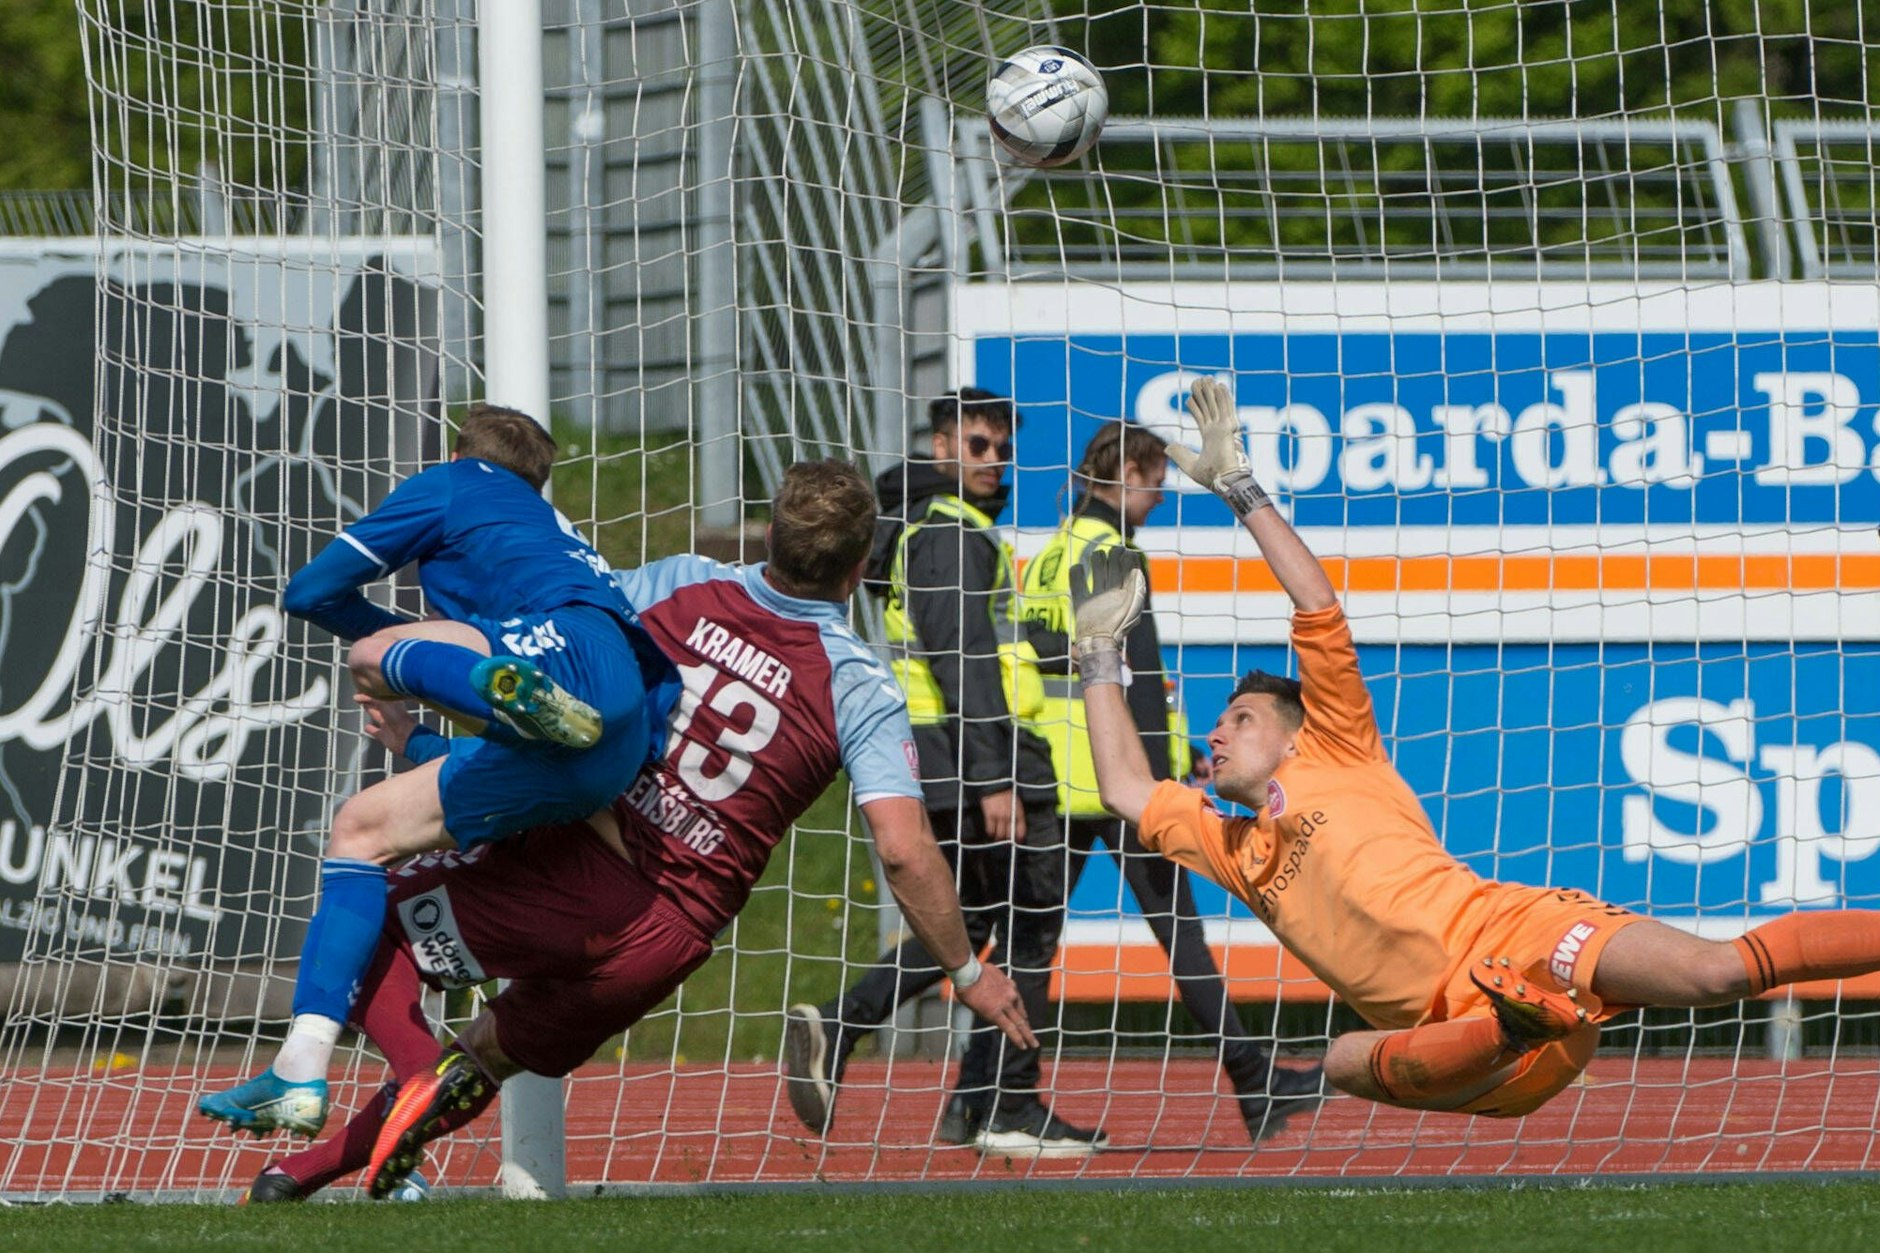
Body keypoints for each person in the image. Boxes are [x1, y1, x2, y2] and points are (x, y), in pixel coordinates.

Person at [1070, 375, 1880, 1120]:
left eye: (1240, 717)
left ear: (1293, 734)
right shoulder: (1228, 843)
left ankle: (1522, 1011)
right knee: (1344, 1057)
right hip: (1460, 1045)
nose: (1216, 731)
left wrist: (1239, 491)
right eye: (1219, 722)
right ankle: (1512, 1022)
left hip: (1516, 935)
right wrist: (1099, 655)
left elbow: (1316, 599)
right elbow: (1125, 789)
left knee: (1718, 973)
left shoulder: (1339, 746)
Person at [241, 459, 1035, 1202]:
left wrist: (425, 727)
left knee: (370, 913)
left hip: (577, 863)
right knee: (487, 1054)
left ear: (768, 533)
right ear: (861, 566)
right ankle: (298, 1177)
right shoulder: (861, 684)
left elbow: (562, 665)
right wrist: (969, 974)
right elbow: (902, 849)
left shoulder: (679, 585)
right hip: (669, 937)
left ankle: (379, 1088)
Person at [200, 405, 678, 1139]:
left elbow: (310, 592)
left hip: (556, 658)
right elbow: (508, 762)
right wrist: (416, 737)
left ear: (462, 452)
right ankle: (300, 1065)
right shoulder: (556, 533)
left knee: (369, 656)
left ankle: (490, 682)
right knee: (359, 831)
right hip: (607, 747)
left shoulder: (457, 483)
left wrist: (397, 648)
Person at [783, 389, 1101, 1159]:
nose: (995, 460)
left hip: (956, 755)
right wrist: (998, 777)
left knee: (971, 925)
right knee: (1031, 924)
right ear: (941, 446)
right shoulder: (951, 535)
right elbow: (965, 661)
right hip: (981, 760)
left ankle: (928, 1075)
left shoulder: (930, 529)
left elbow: (983, 650)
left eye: (1002, 447)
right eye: (978, 444)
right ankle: (1008, 1101)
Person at [1016, 420, 1324, 1141]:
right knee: (1182, 937)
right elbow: (1141, 678)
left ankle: (976, 1086)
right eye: (1154, 479)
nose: (1158, 494)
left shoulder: (1050, 553)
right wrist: (1163, 775)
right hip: (1119, 780)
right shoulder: (1118, 552)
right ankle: (1255, 1083)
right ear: (1126, 470)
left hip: (1057, 779)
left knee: (1019, 936)